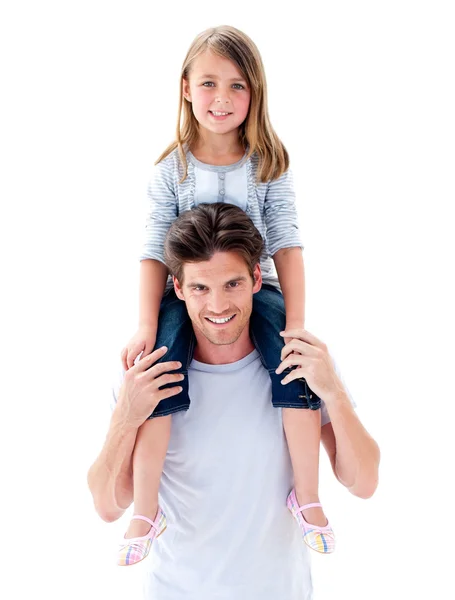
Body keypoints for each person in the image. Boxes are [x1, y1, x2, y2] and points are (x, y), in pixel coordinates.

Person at [118, 23, 339, 564]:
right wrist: (148, 324)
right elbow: (152, 249)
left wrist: (294, 323)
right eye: (209, 84)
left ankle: (306, 495)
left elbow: (286, 243)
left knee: (294, 370)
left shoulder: (268, 162)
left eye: (237, 85)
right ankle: (146, 509)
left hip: (252, 287)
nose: (222, 98)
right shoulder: (173, 169)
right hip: (187, 293)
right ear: (187, 89)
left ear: (255, 94)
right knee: (158, 371)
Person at [87, 203, 380, 599]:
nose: (218, 306)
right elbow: (108, 505)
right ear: (178, 288)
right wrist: (126, 416)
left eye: (232, 284)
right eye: (200, 288)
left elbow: (363, 482)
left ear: (257, 278)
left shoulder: (298, 367)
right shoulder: (145, 376)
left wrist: (335, 393)